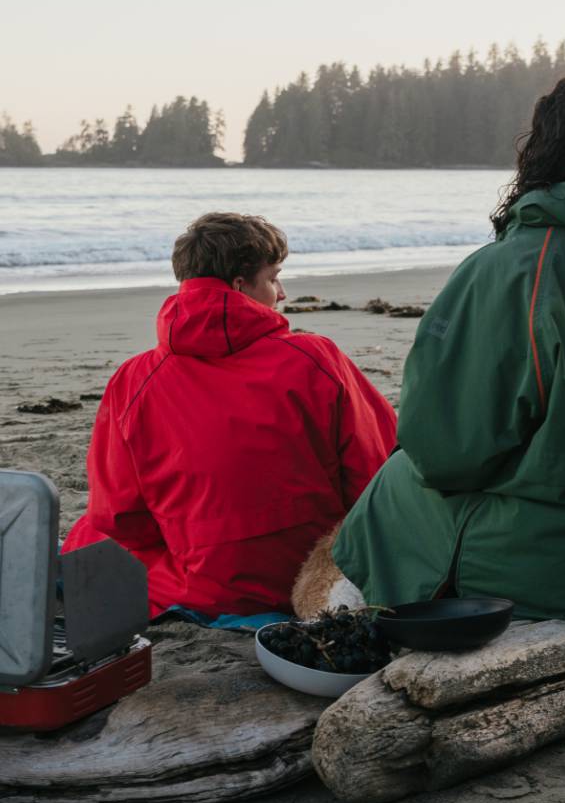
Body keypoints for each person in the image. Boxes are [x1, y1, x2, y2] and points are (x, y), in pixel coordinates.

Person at [332, 77, 565, 648]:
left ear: (542, 150)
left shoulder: (515, 268)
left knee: (394, 482)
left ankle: (369, 619)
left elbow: (447, 453)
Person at [63, 212, 396, 618]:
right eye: (273, 278)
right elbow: (378, 473)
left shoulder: (134, 378)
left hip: (204, 580)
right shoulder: (316, 358)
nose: (283, 292)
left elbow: (120, 515)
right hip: (312, 571)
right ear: (240, 287)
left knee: (87, 535)